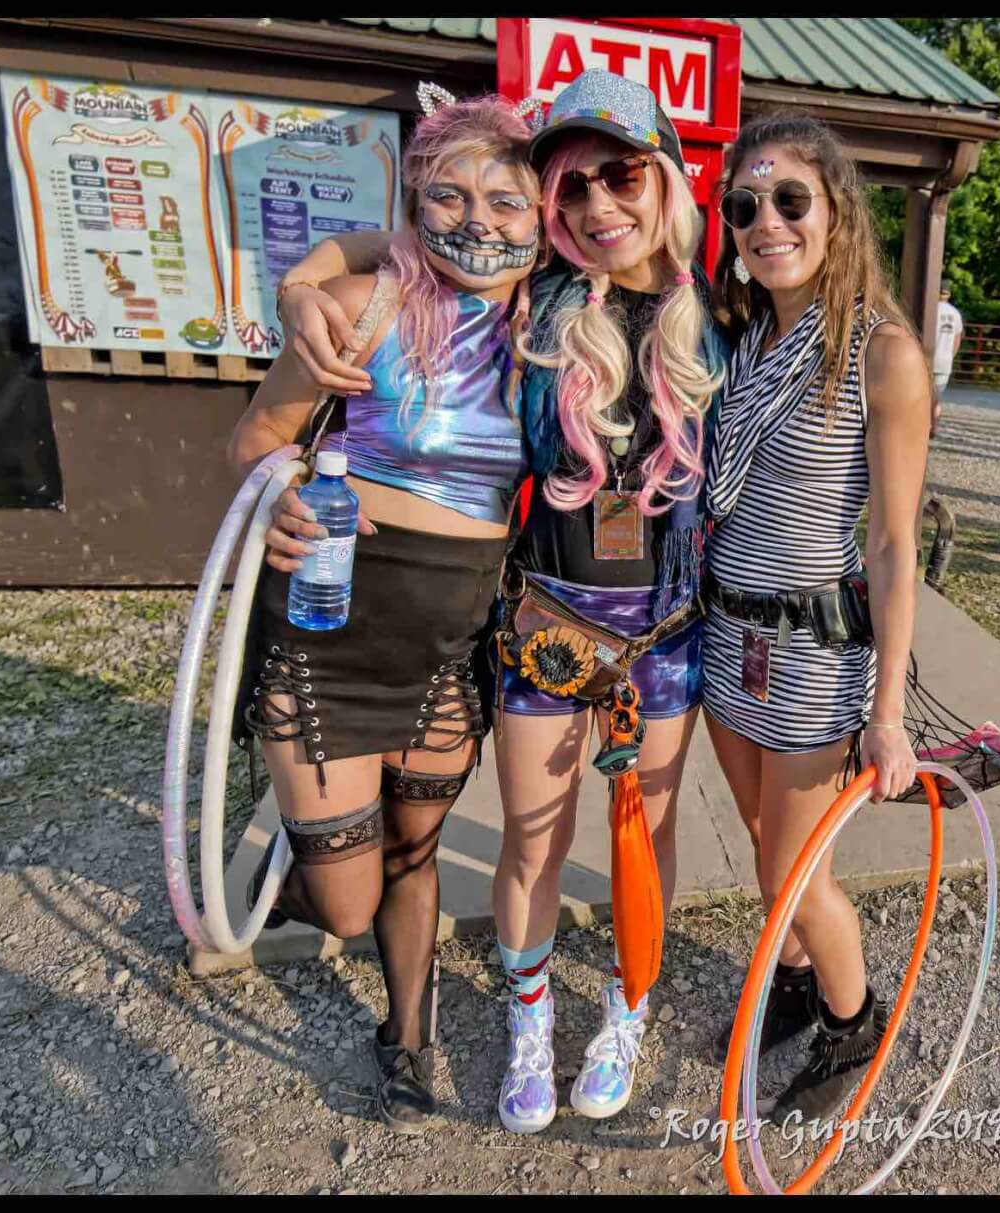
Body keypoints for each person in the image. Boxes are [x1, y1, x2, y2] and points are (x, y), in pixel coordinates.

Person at [274, 70, 727, 1133]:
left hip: (663, 631)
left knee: (641, 834)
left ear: (662, 174)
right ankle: (530, 1018)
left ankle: (626, 1006)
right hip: (544, 623)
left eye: (619, 176)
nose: (597, 208)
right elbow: (387, 245)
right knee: (531, 833)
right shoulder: (536, 295)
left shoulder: (724, 316)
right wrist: (304, 280)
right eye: (571, 190)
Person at [230, 89, 542, 1133]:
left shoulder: (554, 336)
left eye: (506, 198)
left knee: (415, 854)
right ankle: (299, 849)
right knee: (347, 903)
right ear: (415, 202)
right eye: (448, 193)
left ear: (543, 215)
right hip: (326, 636)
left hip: (447, 651)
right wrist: (278, 487)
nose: (478, 220)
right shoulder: (362, 303)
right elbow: (256, 438)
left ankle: (406, 1032)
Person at [700, 113, 933, 1124]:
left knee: (790, 868)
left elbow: (891, 545)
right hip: (725, 635)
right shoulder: (739, 334)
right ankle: (795, 979)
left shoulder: (881, 355)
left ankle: (853, 1017)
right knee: (763, 841)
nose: (766, 222)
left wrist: (887, 714)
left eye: (790, 201)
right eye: (745, 205)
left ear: (836, 213)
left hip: (811, 651)